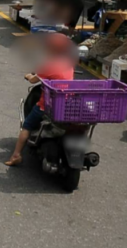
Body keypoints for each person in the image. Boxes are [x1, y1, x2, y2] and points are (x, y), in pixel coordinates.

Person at [5, 33, 76, 166]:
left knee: (26, 126)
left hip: (47, 107)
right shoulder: (68, 63)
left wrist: (28, 75)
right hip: (66, 105)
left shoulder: (49, 65)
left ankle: (16, 155)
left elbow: (33, 80)